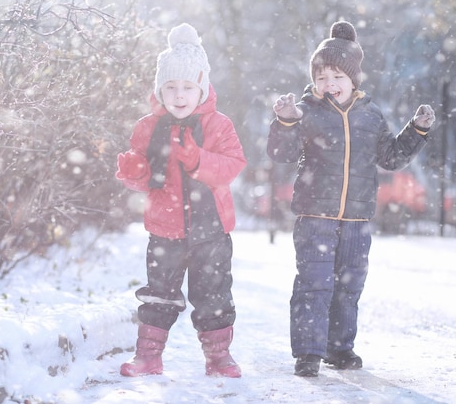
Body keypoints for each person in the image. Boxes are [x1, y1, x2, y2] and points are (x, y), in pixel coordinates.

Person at [266, 21, 435, 377]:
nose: (330, 84)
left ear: (353, 80)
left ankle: (338, 348)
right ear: (314, 80)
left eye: (338, 76)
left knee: (349, 285)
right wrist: (285, 122)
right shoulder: (305, 111)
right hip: (315, 217)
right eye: (323, 76)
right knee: (314, 283)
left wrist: (416, 131)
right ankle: (309, 351)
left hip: (357, 218)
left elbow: (390, 157)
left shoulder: (370, 115)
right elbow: (280, 154)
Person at [115, 23, 247, 378]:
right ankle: (148, 356)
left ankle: (218, 357)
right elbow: (143, 179)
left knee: (213, 294)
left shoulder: (218, 125)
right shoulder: (148, 126)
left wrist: (197, 160)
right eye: (171, 86)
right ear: (160, 89)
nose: (179, 94)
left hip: (211, 230)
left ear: (202, 87)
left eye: (188, 86)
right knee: (159, 293)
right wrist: (133, 169)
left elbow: (232, 165)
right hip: (165, 227)